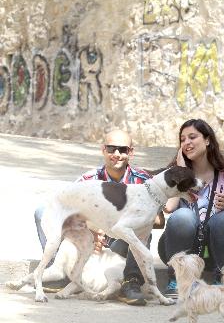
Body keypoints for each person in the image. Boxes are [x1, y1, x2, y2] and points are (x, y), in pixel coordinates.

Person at [34, 129, 164, 306]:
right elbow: (68, 206)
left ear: (131, 152)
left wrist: (112, 225)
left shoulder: (143, 180)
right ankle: (60, 273)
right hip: (91, 236)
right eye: (111, 149)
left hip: (121, 241)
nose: (116, 154)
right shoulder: (89, 178)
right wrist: (92, 229)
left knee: (141, 234)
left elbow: (158, 220)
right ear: (103, 150)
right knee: (42, 211)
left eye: (123, 150)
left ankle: (131, 283)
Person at [158, 119, 224, 297]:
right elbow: (169, 208)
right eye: (182, 139)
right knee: (182, 215)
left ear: (207, 140)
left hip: (218, 248)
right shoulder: (174, 171)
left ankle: (223, 280)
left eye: (192, 137)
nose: (186, 143)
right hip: (180, 247)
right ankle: (177, 280)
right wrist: (181, 173)